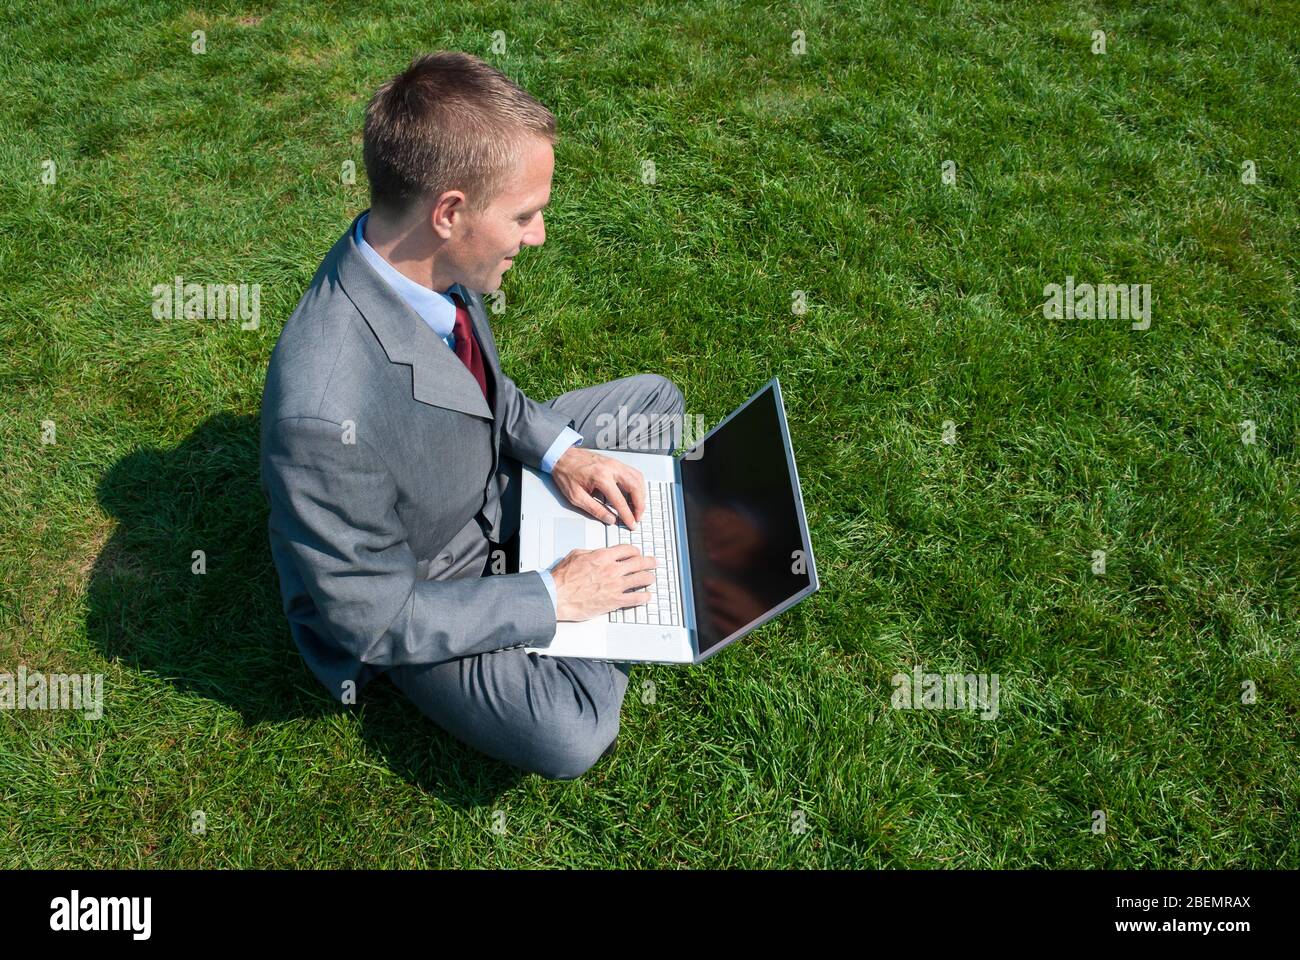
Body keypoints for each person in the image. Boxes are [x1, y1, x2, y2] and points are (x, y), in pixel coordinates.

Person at [259, 51, 686, 779]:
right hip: (432, 588)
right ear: (450, 213)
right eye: (524, 215)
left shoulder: (424, 263)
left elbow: (485, 389)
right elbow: (379, 618)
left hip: (482, 478)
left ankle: (606, 575)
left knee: (655, 399)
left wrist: (559, 454)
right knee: (573, 736)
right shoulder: (322, 416)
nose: (540, 235)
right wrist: (555, 595)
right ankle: (621, 600)